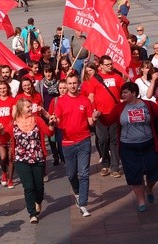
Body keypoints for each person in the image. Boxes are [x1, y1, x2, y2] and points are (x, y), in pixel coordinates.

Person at [98, 82, 158, 212]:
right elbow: (108, 121)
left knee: (153, 174)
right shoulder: (119, 107)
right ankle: (141, 201)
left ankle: (149, 189)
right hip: (128, 148)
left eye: (125, 92)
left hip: (149, 145)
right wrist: (100, 116)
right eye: (122, 92)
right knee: (135, 176)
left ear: (134, 93)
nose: (122, 95)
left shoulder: (147, 105)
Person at [0, 97, 54, 223]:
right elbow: (4, 137)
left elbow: (49, 133)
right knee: (28, 187)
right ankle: (32, 213)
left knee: (39, 186)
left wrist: (51, 124)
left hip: (37, 158)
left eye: (31, 106)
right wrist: (0, 131)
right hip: (20, 159)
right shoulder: (13, 123)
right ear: (20, 109)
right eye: (28, 107)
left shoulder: (37, 120)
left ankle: (38, 201)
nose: (31, 108)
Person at [53, 74, 98, 217]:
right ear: (66, 85)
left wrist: (95, 117)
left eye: (74, 83)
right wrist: (53, 121)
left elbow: (91, 122)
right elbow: (57, 120)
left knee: (84, 173)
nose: (72, 86)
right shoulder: (61, 102)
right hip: (67, 143)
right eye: (70, 83)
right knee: (71, 174)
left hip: (84, 141)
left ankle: (83, 203)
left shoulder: (85, 101)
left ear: (78, 84)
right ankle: (77, 192)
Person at [89, 55, 124, 178]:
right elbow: (91, 96)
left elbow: (123, 93)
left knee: (114, 141)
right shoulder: (95, 78)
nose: (110, 66)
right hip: (100, 115)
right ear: (101, 66)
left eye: (111, 64)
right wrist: (93, 111)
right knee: (103, 140)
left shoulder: (117, 77)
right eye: (107, 64)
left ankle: (115, 167)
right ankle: (105, 163)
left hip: (114, 114)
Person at [0, 81, 17, 188]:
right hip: (0, 133)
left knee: (11, 157)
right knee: (3, 156)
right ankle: (4, 173)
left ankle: (10, 179)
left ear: (8, 89)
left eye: (4, 88)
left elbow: (14, 114)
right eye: (0, 88)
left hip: (10, 132)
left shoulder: (12, 100)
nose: (2, 90)